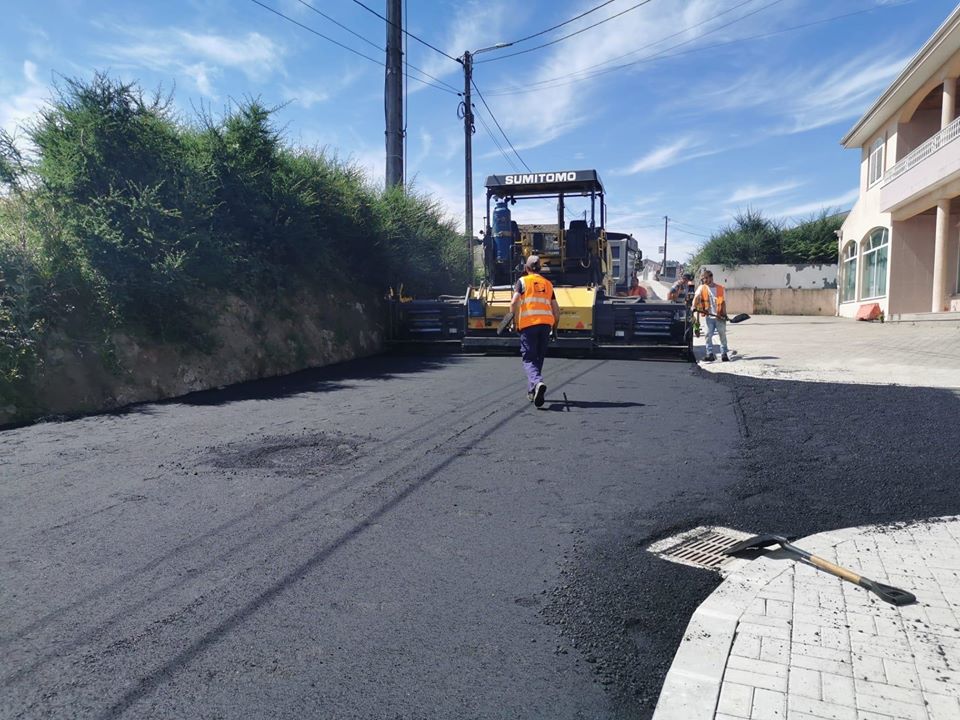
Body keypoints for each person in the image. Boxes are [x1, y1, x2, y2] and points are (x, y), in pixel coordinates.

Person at [510, 255, 561, 407]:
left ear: (526, 268)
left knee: (528, 358)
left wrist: (513, 322)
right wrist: (555, 328)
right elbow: (556, 310)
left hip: (529, 325)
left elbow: (514, 303)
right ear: (540, 269)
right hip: (546, 326)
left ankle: (537, 383)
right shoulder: (548, 284)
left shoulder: (523, 281)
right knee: (538, 358)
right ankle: (533, 391)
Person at [691, 270, 729, 362]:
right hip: (709, 317)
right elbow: (696, 297)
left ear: (711, 277)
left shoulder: (720, 288)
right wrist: (693, 306)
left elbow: (723, 303)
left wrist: (724, 314)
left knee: (722, 335)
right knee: (708, 335)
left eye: (706, 278)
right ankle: (710, 354)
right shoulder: (702, 288)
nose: (705, 280)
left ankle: (724, 354)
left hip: (719, 316)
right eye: (703, 278)